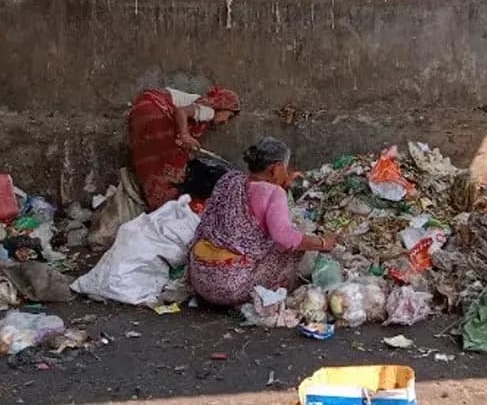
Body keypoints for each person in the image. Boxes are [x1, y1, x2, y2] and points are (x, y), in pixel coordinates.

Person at [189, 137, 337, 307]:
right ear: (276, 168)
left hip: (200, 277)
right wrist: (323, 242)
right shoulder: (273, 193)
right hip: (229, 287)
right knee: (294, 247)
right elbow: (285, 237)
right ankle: (279, 290)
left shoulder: (228, 180)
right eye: (285, 168)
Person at [128, 85, 241, 211]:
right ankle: (164, 205)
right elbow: (181, 111)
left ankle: (159, 201)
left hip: (143, 109)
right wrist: (185, 135)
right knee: (172, 161)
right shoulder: (209, 111)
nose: (225, 122)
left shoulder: (202, 109)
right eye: (229, 116)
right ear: (223, 106)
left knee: (153, 159)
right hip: (155, 110)